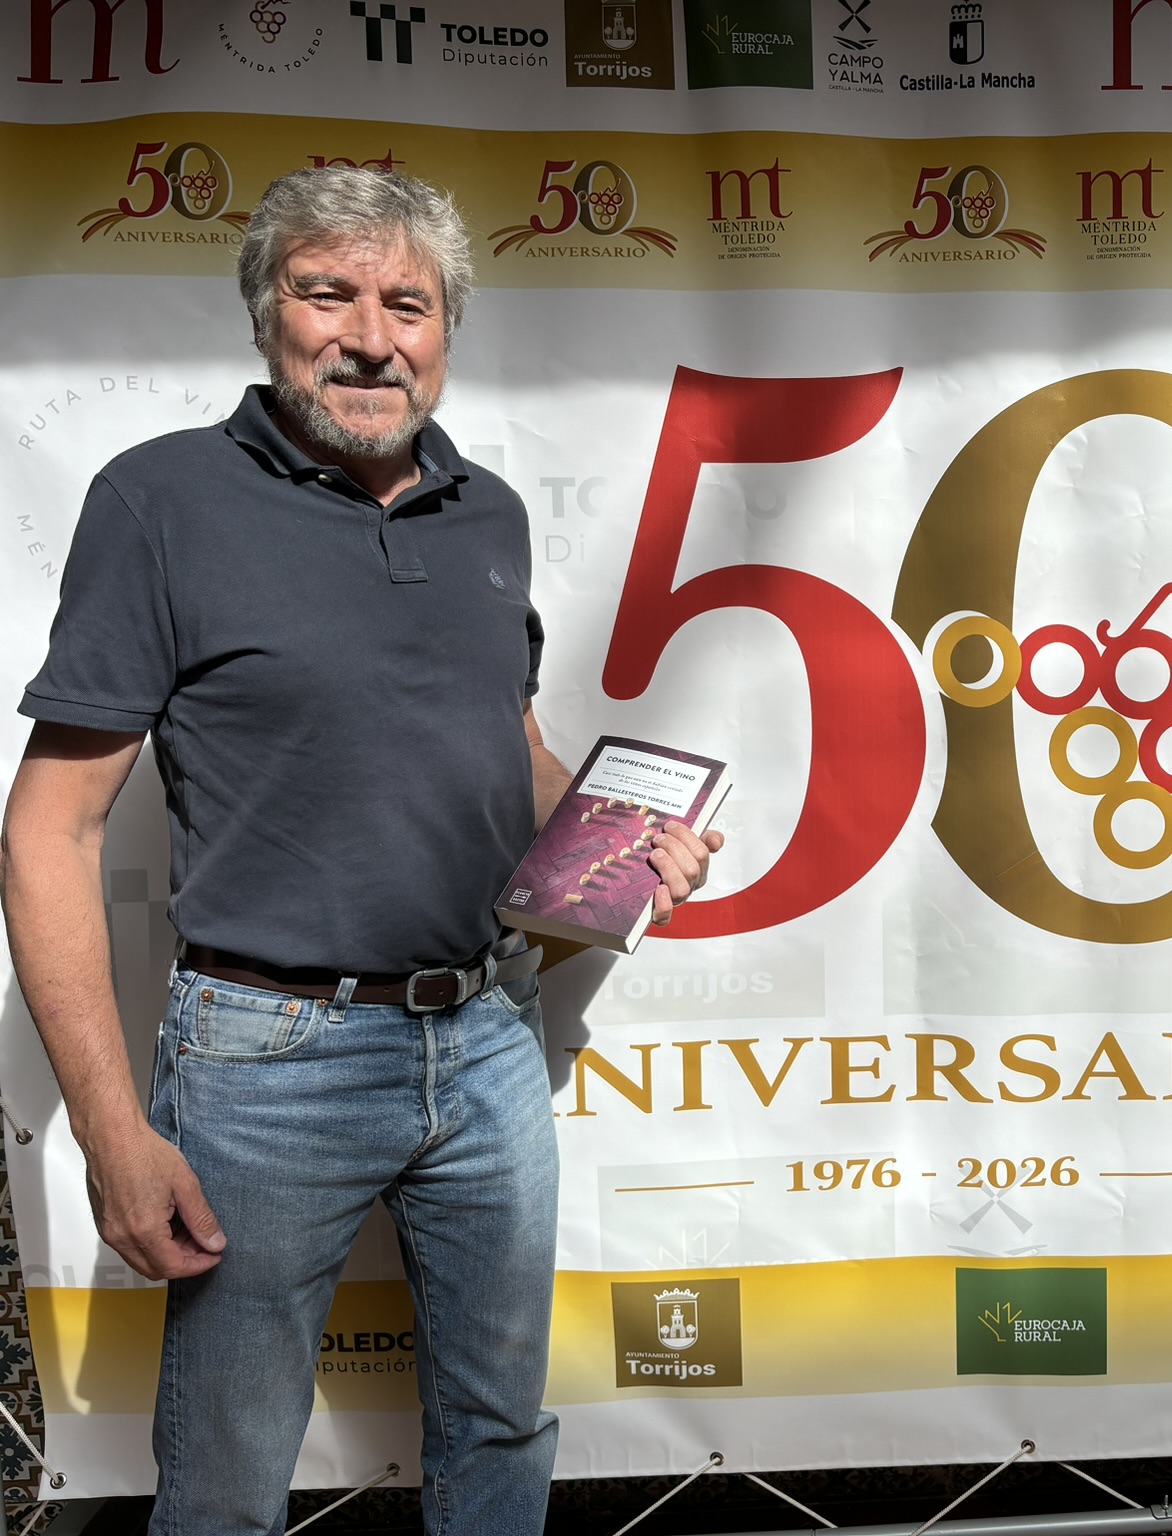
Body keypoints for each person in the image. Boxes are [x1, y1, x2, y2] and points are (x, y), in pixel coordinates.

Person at [0, 166, 721, 1536]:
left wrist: (622, 846)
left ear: (446, 329)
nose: (372, 338)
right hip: (265, 1063)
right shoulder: (159, 501)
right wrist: (110, 1130)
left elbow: (507, 742)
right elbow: (49, 829)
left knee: (501, 1432)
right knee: (227, 1479)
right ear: (266, 313)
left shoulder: (487, 511)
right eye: (327, 294)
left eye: (410, 304)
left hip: (490, 1035)